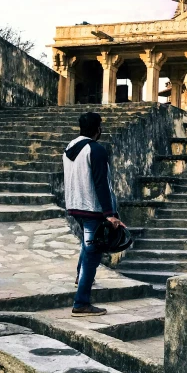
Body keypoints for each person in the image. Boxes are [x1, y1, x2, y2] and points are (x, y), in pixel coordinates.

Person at [63, 112, 125, 316]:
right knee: (92, 254)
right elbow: (101, 183)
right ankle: (81, 303)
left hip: (75, 206)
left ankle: (79, 278)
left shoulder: (70, 147)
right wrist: (110, 214)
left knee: (87, 245)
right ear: (97, 128)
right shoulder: (95, 149)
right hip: (92, 209)